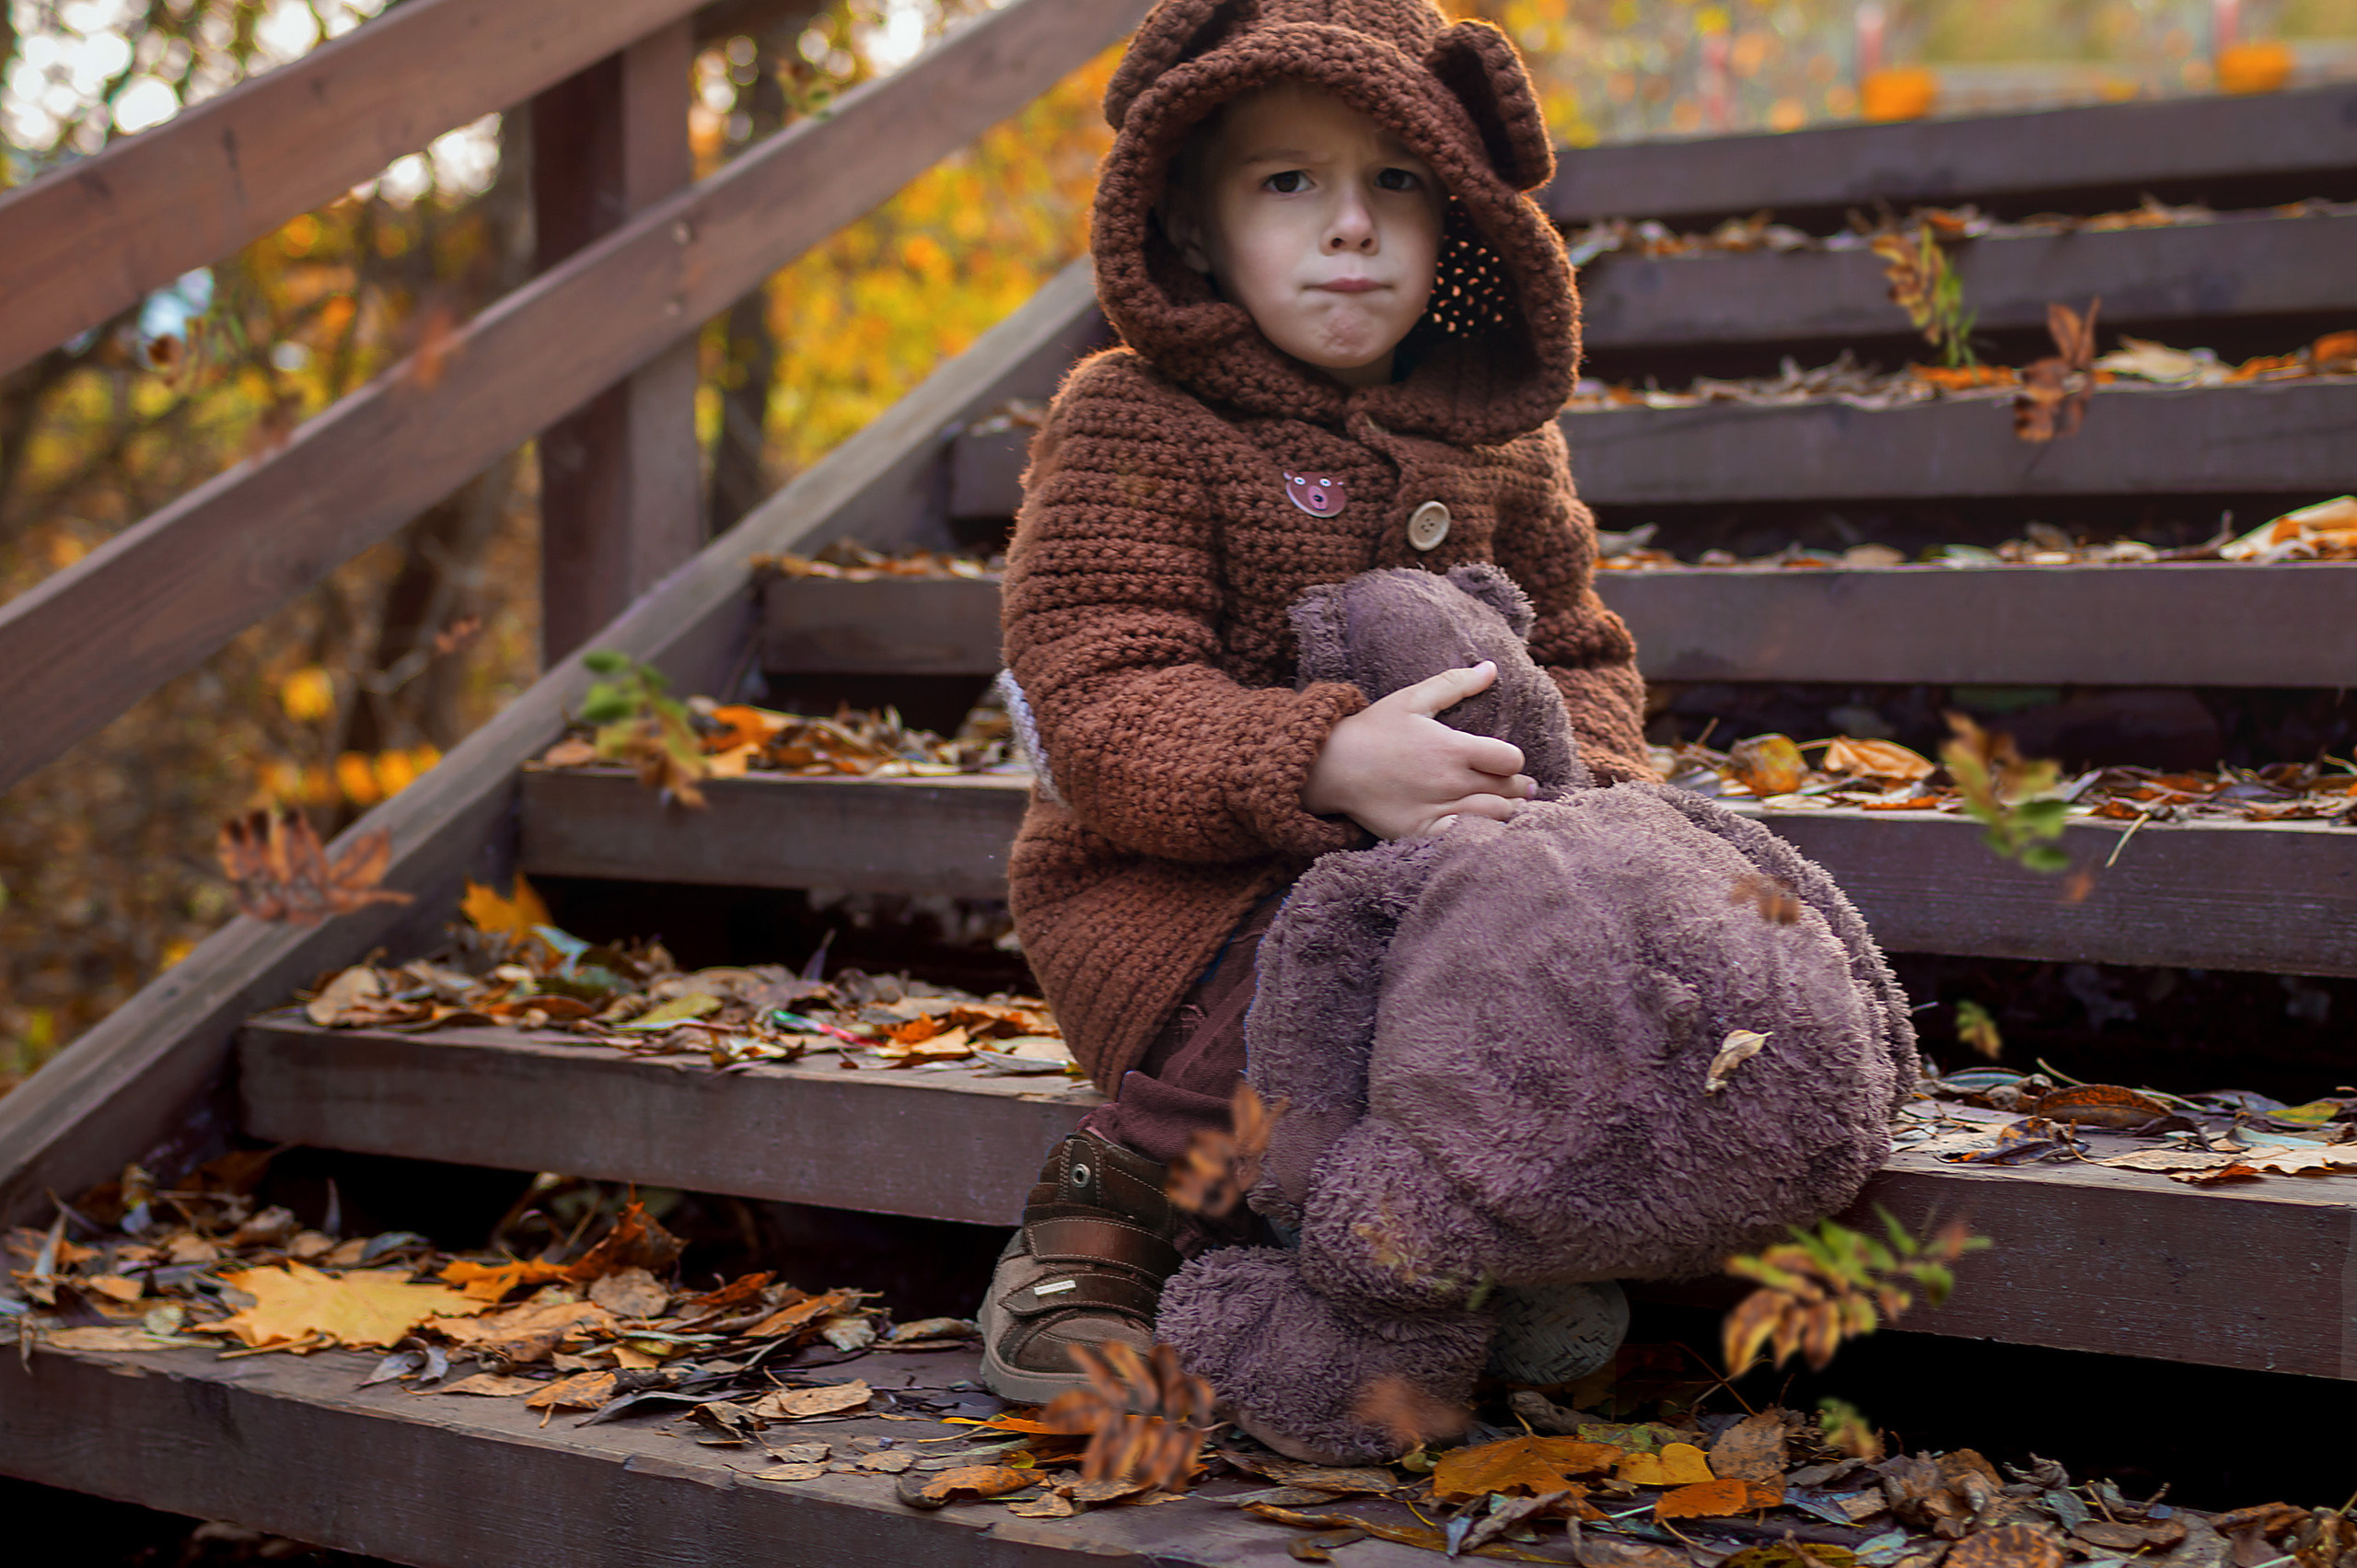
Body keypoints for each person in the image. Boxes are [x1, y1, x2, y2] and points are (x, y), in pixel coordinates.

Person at [978, 0, 1654, 1403]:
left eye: (1395, 182)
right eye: (1288, 181)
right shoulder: (1134, 420)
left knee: (1572, 943)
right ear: (1194, 220)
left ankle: (1449, 1238)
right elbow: (1102, 693)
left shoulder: (1506, 447)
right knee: (1316, 951)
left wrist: (1568, 787)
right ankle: (1111, 1206)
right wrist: (1323, 760)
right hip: (1185, 896)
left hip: (1462, 867)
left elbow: (1580, 651)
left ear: (1459, 220)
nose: (1351, 226)